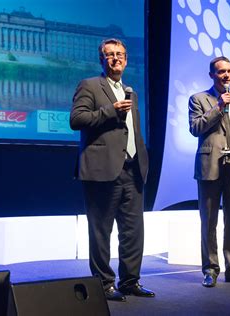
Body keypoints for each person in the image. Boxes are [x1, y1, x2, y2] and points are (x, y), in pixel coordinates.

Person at [70, 38, 155, 302]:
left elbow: (132, 131)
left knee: (133, 231)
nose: (115, 58)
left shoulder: (132, 91)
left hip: (132, 169)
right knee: (101, 231)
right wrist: (110, 110)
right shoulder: (90, 86)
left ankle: (130, 281)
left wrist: (143, 159)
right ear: (102, 60)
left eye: (120, 54)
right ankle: (104, 283)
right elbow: (77, 119)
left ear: (127, 59)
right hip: (101, 170)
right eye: (109, 55)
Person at [188, 56, 230, 287]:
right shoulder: (199, 99)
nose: (226, 75)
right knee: (209, 221)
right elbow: (195, 128)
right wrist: (218, 107)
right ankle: (210, 269)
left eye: (229, 71)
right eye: (220, 72)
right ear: (211, 75)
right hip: (211, 166)